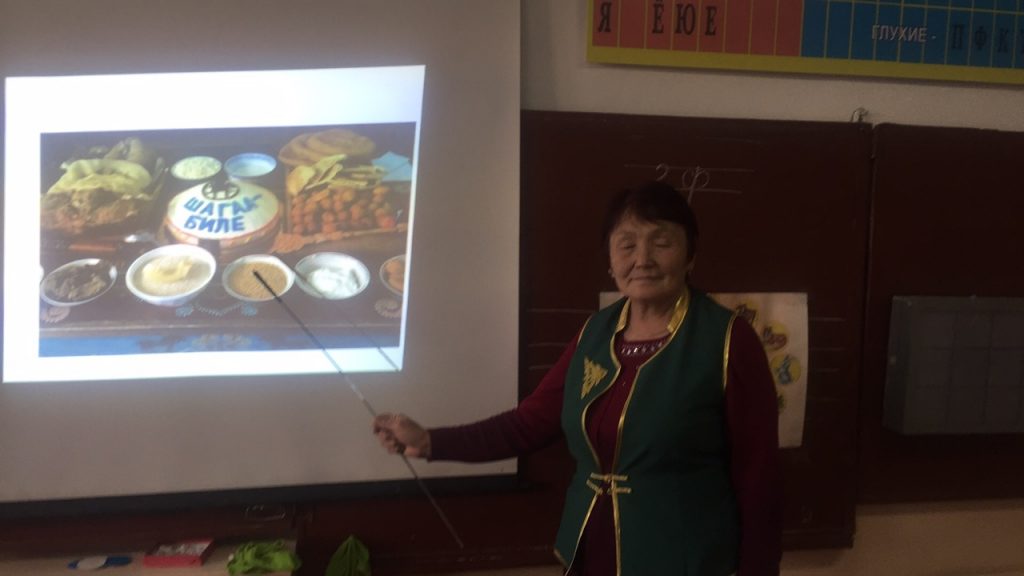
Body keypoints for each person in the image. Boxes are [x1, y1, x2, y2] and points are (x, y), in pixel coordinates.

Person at [373, 181, 782, 576]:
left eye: (662, 243)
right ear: (610, 261)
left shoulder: (727, 340)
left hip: (683, 559)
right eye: (626, 245)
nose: (642, 259)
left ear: (690, 255)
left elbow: (759, 474)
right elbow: (528, 424)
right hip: (591, 551)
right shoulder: (595, 334)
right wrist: (430, 441)